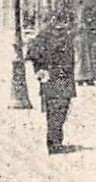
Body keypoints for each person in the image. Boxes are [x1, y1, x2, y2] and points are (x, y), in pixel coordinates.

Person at [26, 8, 78, 153]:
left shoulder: (49, 34)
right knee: (58, 111)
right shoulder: (47, 35)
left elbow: (32, 52)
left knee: (57, 111)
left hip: (57, 79)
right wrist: (40, 69)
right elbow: (32, 53)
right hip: (58, 78)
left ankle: (54, 142)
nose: (63, 26)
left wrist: (40, 70)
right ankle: (54, 144)